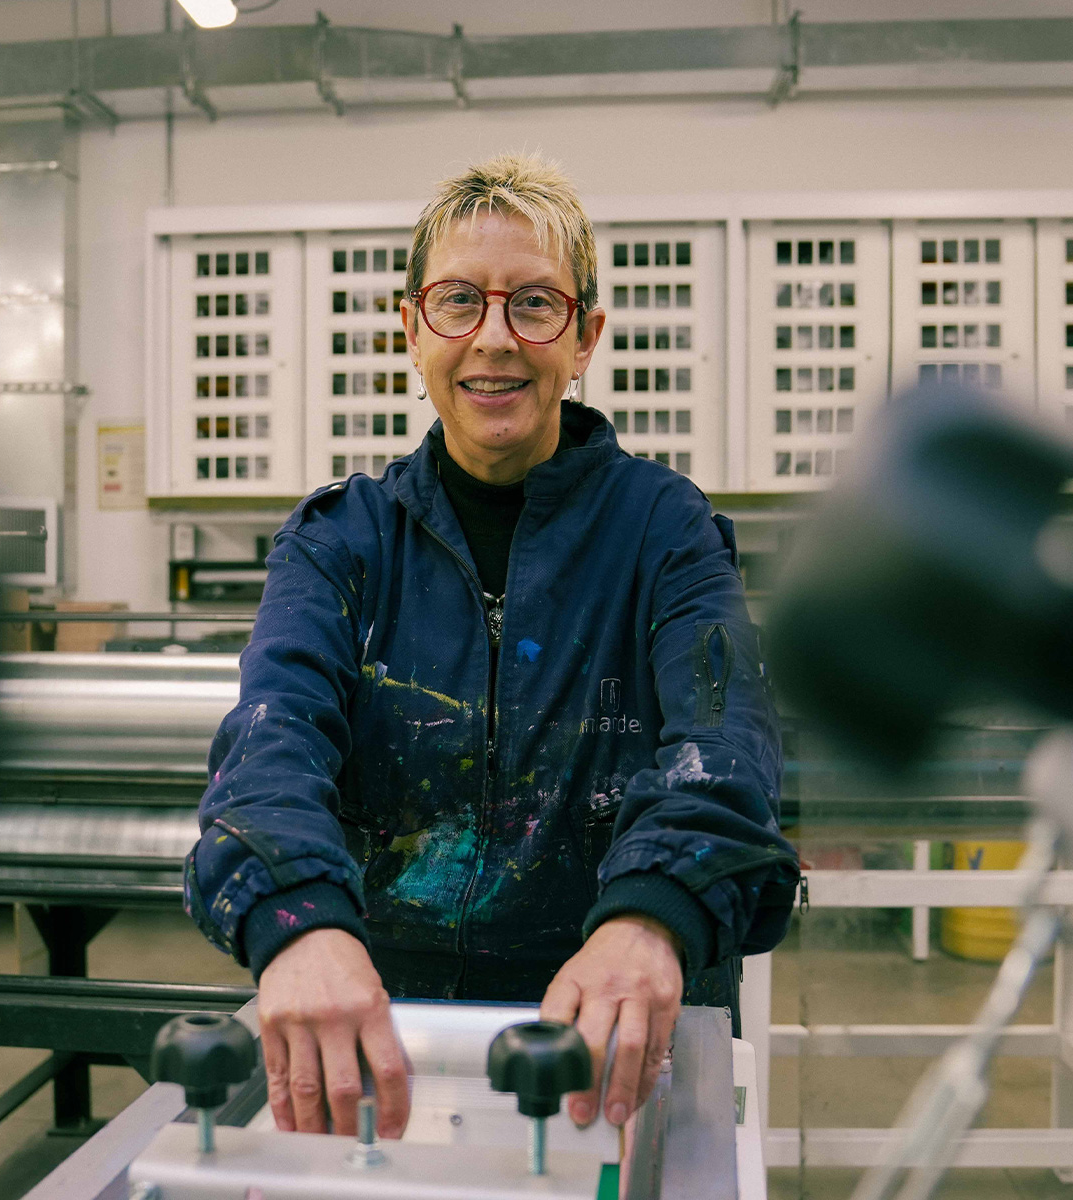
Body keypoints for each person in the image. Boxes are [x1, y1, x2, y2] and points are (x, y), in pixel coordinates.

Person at [185, 153, 799, 1144]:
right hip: (391, 1037)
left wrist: (654, 915)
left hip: (611, 1040)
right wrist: (298, 921)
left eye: (536, 305)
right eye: (460, 301)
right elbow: (269, 746)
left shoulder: (666, 531)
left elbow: (723, 750)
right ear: (413, 329)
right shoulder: (339, 542)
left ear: (586, 335)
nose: (495, 340)